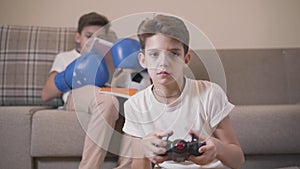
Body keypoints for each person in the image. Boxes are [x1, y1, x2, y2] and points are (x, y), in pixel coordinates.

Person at [122, 14, 245, 169]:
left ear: (186, 59)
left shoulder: (210, 94)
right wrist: (143, 151)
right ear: (143, 60)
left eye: (174, 54)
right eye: (154, 54)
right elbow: (139, 166)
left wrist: (217, 148)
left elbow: (237, 160)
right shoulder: (135, 104)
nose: (163, 62)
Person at [41, 12, 119, 169]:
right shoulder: (65, 57)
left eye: (99, 37)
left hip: (106, 93)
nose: (93, 41)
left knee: (134, 104)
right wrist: (73, 74)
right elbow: (46, 94)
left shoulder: (109, 60)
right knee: (106, 100)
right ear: (78, 37)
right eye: (89, 35)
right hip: (77, 97)